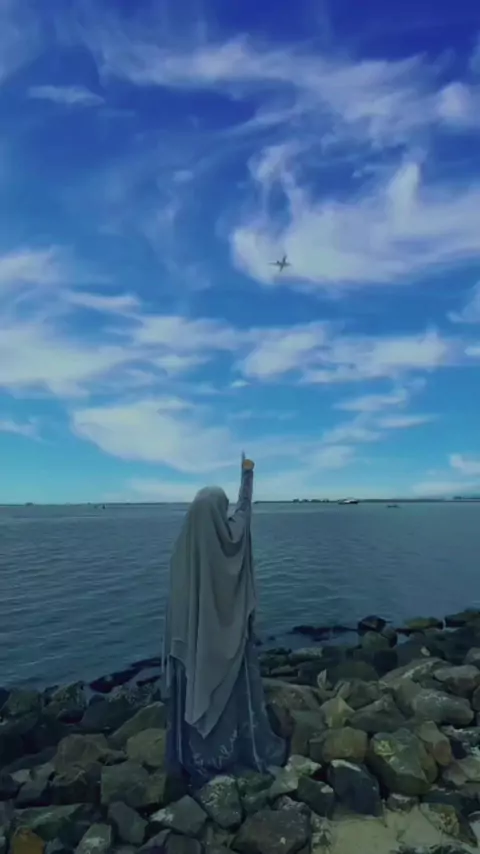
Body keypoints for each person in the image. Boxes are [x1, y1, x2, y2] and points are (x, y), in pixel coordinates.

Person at [162, 455, 287, 787]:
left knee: (197, 688)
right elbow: (245, 513)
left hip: (192, 643)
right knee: (229, 689)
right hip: (227, 640)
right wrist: (247, 476)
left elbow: (176, 605)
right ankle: (233, 753)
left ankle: (194, 756)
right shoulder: (231, 538)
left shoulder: (183, 548)